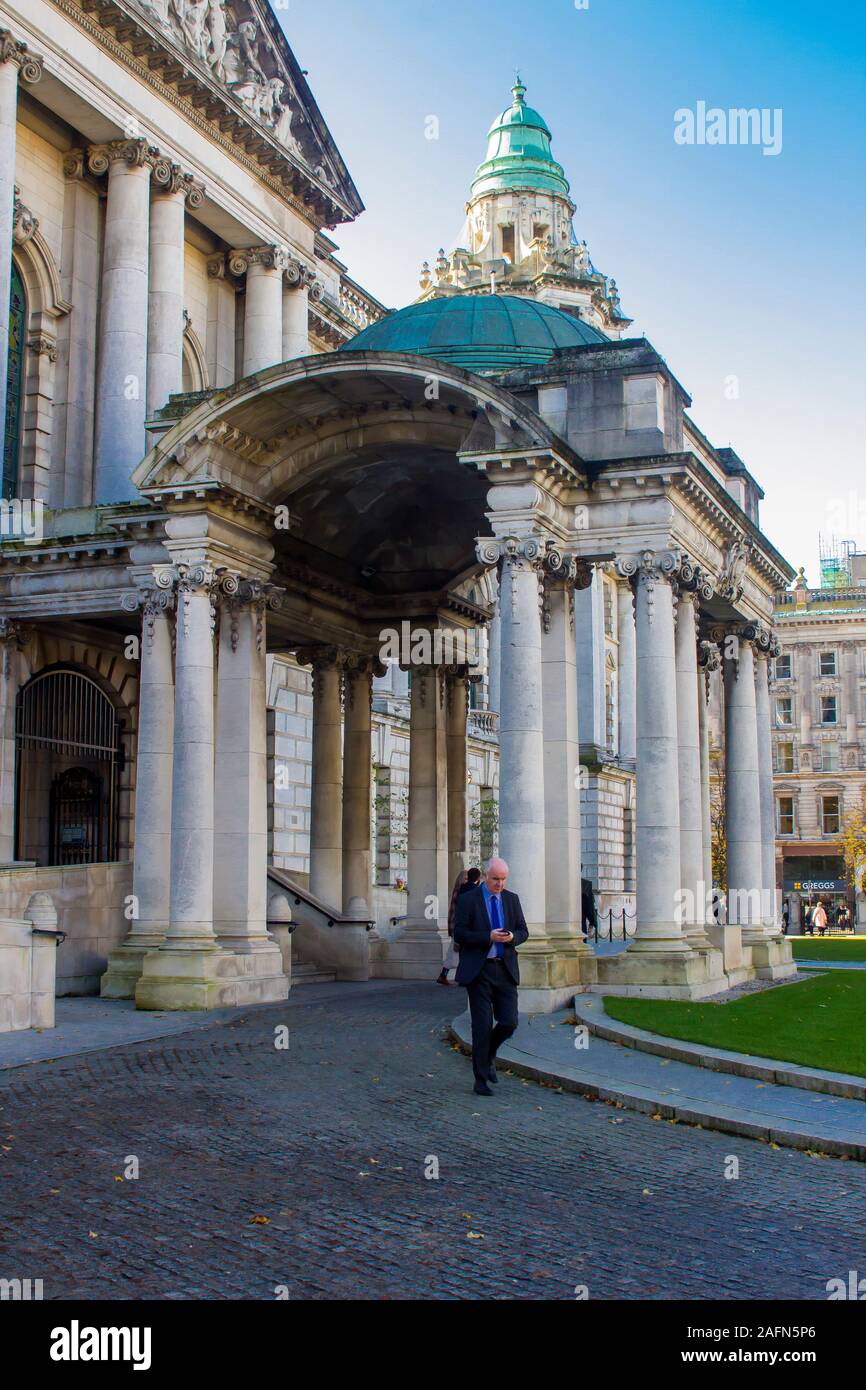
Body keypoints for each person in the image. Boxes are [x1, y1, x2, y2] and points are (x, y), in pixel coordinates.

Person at [453, 857, 528, 1096]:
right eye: (496, 879)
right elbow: (459, 934)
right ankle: (480, 1079)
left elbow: (523, 930)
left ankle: (489, 1054)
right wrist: (488, 936)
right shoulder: (468, 900)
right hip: (480, 971)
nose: (500, 884)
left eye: (504, 879)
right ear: (486, 876)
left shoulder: (512, 899)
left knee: (509, 1022)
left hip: (505, 969)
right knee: (481, 1027)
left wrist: (511, 938)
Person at [437, 866, 481, 986]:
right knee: (460, 954)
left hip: (457, 926)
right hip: (468, 927)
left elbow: (453, 910)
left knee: (453, 952)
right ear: (477, 879)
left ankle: (444, 975)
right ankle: (462, 977)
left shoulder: (458, 890)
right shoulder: (476, 890)